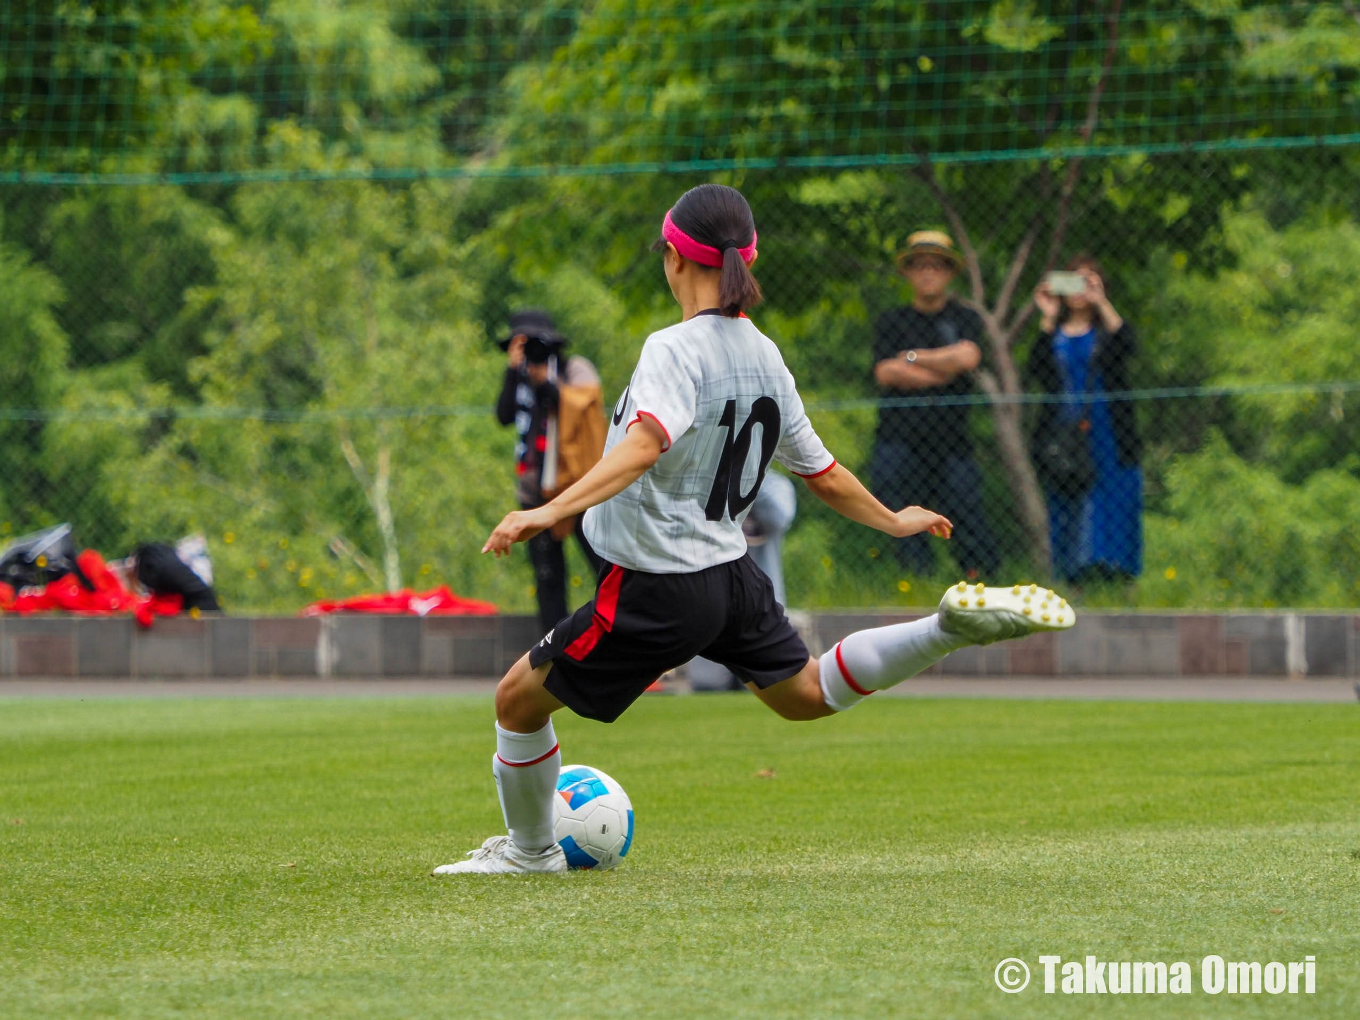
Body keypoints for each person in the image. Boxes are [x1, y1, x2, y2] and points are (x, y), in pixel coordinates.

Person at [437, 185, 1073, 875]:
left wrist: (548, 510)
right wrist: (894, 520)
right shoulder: (764, 354)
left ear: (675, 258)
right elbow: (821, 471)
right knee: (807, 694)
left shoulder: (674, 348)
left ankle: (531, 854)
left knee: (517, 703)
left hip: (655, 584)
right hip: (731, 575)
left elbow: (646, 443)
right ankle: (945, 629)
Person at [870, 231, 1000, 580]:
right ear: (909, 273)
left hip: (952, 438)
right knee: (899, 505)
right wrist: (943, 370)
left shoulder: (964, 318)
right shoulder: (892, 321)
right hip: (900, 436)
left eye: (937, 266)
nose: (928, 273)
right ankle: (915, 580)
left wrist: (914, 358)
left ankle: (977, 578)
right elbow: (886, 371)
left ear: (949, 273)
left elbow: (968, 356)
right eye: (920, 266)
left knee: (966, 506)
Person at [1028, 256, 1143, 583]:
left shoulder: (1107, 332)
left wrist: (1102, 303)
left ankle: (1119, 576)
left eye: (1088, 282)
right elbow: (1036, 369)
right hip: (1064, 432)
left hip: (1110, 432)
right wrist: (1047, 316)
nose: (1079, 290)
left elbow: (1128, 346)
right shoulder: (1054, 335)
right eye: (1073, 282)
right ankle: (1073, 577)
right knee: (1068, 500)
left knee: (1115, 498)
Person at [495, 310, 607, 632]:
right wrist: (513, 371)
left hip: (578, 489)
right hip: (535, 492)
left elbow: (581, 409)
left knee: (605, 567)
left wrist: (546, 380)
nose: (530, 351)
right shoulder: (519, 378)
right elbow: (503, 415)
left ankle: (618, 640)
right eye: (522, 345)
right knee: (548, 577)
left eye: (534, 344)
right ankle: (555, 655)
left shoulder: (575, 370)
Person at [687, 471, 797, 692]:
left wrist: (743, 475)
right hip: (711, 601)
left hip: (761, 604)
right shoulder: (700, 478)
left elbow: (778, 516)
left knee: (762, 687)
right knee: (708, 686)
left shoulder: (775, 484)